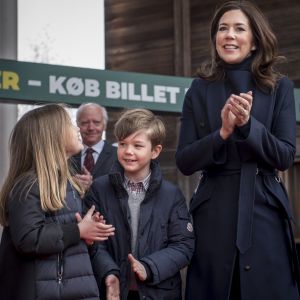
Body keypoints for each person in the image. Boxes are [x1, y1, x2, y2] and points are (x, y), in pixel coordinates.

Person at [175, 1, 300, 300]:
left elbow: (284, 155)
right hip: (213, 214)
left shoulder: (280, 87)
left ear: (255, 40)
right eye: (222, 28)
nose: (229, 35)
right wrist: (222, 133)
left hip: (265, 211)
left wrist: (247, 125)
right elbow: (184, 160)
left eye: (239, 28)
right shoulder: (198, 89)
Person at [0, 104, 115, 300]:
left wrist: (86, 234)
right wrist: (78, 230)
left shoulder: (66, 183)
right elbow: (29, 238)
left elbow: (61, 236)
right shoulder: (28, 186)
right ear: (52, 137)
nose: (78, 129)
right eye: (71, 124)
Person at [85, 108, 194, 300]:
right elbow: (94, 244)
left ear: (155, 151)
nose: (128, 151)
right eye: (122, 143)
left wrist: (149, 267)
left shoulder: (172, 195)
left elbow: (183, 245)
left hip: (160, 292)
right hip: (113, 291)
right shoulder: (99, 189)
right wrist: (110, 273)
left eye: (137, 145)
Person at [72, 103, 117, 190]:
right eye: (85, 123)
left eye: (96, 122)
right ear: (77, 125)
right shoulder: (68, 156)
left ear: (105, 125)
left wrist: (92, 186)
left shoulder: (118, 155)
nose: (91, 128)